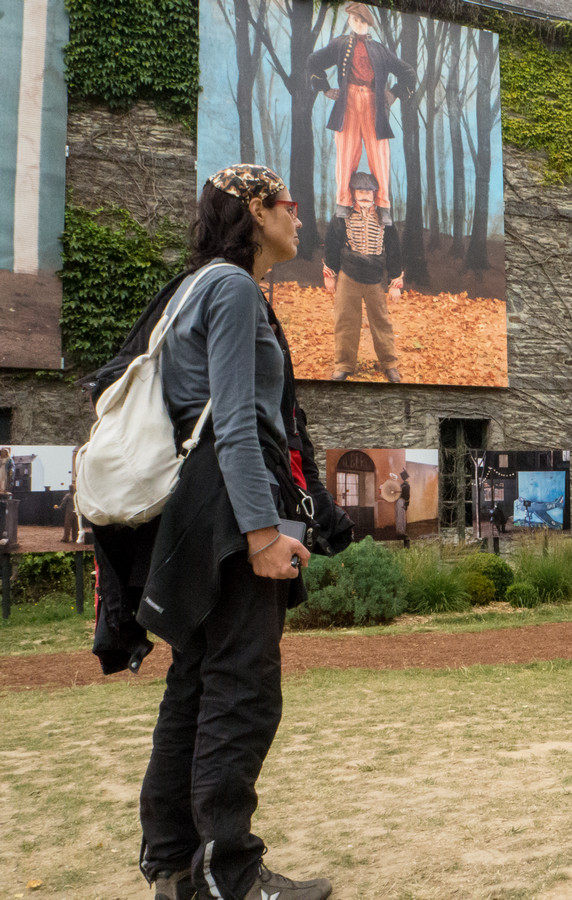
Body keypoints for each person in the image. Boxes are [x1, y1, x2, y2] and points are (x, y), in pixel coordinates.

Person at [120, 164, 334, 900]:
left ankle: (175, 866)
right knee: (243, 689)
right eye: (288, 205)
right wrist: (261, 534)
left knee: (194, 684)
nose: (299, 218)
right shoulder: (235, 288)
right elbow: (237, 423)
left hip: (195, 512)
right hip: (229, 512)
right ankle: (230, 874)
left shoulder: (192, 287)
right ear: (256, 212)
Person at [307, 2, 416, 223]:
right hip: (347, 104)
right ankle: (343, 202)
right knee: (345, 153)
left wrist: (394, 93)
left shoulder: (380, 50)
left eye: (362, 20)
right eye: (355, 19)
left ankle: (383, 206)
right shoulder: (340, 44)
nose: (358, 23)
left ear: (368, 24)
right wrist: (325, 88)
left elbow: (408, 72)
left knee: (379, 155)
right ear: (349, 20)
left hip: (373, 105)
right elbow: (314, 61)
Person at [323, 170, 404, 382]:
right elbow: (331, 245)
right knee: (345, 320)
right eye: (360, 190)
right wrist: (330, 274)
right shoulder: (342, 217)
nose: (365, 195)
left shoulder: (385, 219)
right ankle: (344, 364)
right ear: (353, 192)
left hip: (374, 278)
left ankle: (389, 363)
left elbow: (394, 251)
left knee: (381, 321)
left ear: (375, 193)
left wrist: (395, 282)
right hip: (348, 275)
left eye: (369, 191)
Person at [394, 469, 410, 547]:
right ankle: (401, 532)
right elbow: (407, 496)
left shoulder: (401, 485)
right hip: (402, 501)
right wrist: (406, 504)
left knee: (398, 516)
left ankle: (399, 531)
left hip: (398, 502)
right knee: (401, 516)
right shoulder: (406, 485)